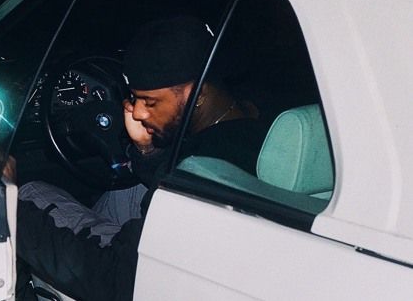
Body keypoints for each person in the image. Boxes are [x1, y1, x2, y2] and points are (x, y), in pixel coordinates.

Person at [13, 16, 266, 301]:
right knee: (129, 188)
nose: (137, 112)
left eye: (151, 102)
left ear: (197, 95)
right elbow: (166, 175)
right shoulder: (247, 124)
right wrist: (147, 151)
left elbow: (113, 279)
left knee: (30, 193)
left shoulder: (202, 175)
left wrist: (5, 206)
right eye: (135, 98)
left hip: (126, 274)